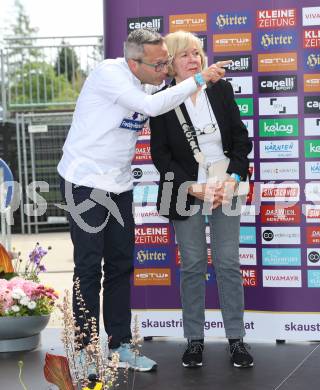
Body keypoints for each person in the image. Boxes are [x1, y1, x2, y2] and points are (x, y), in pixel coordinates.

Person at [57, 28, 227, 372]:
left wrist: (191, 78)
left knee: (121, 265)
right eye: (158, 64)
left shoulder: (149, 80)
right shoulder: (110, 74)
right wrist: (197, 80)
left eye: (167, 61)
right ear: (135, 64)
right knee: (89, 267)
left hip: (119, 186)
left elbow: (166, 96)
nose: (164, 69)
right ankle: (84, 350)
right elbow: (152, 104)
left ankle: (120, 346)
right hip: (85, 183)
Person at [150, 31, 253, 369]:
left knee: (227, 263)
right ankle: (194, 341)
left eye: (197, 53)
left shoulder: (220, 89)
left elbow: (241, 139)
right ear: (172, 63)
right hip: (185, 190)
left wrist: (233, 180)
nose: (194, 59)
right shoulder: (162, 100)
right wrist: (191, 187)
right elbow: (160, 156)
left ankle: (236, 340)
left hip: (227, 185)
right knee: (193, 265)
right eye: (186, 55)